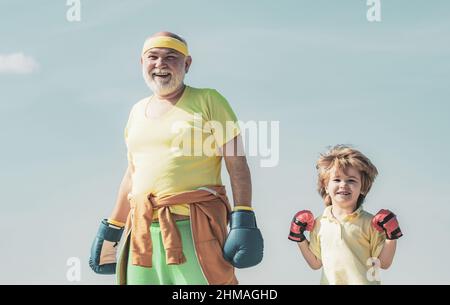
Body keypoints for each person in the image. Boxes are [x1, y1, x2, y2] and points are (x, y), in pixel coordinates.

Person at [89, 31, 263, 285]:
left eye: (171, 57)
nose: (161, 64)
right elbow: (132, 174)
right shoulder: (136, 112)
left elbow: (236, 162)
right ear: (142, 63)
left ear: (187, 64)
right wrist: (113, 226)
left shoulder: (209, 100)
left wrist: (244, 216)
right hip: (142, 232)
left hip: (194, 228)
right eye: (153, 57)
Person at [288, 145, 403, 284]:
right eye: (337, 180)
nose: (343, 184)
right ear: (325, 185)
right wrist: (299, 238)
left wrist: (392, 236)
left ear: (363, 187)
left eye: (351, 180)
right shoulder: (319, 223)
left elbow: (383, 263)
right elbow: (316, 263)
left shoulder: (371, 223)